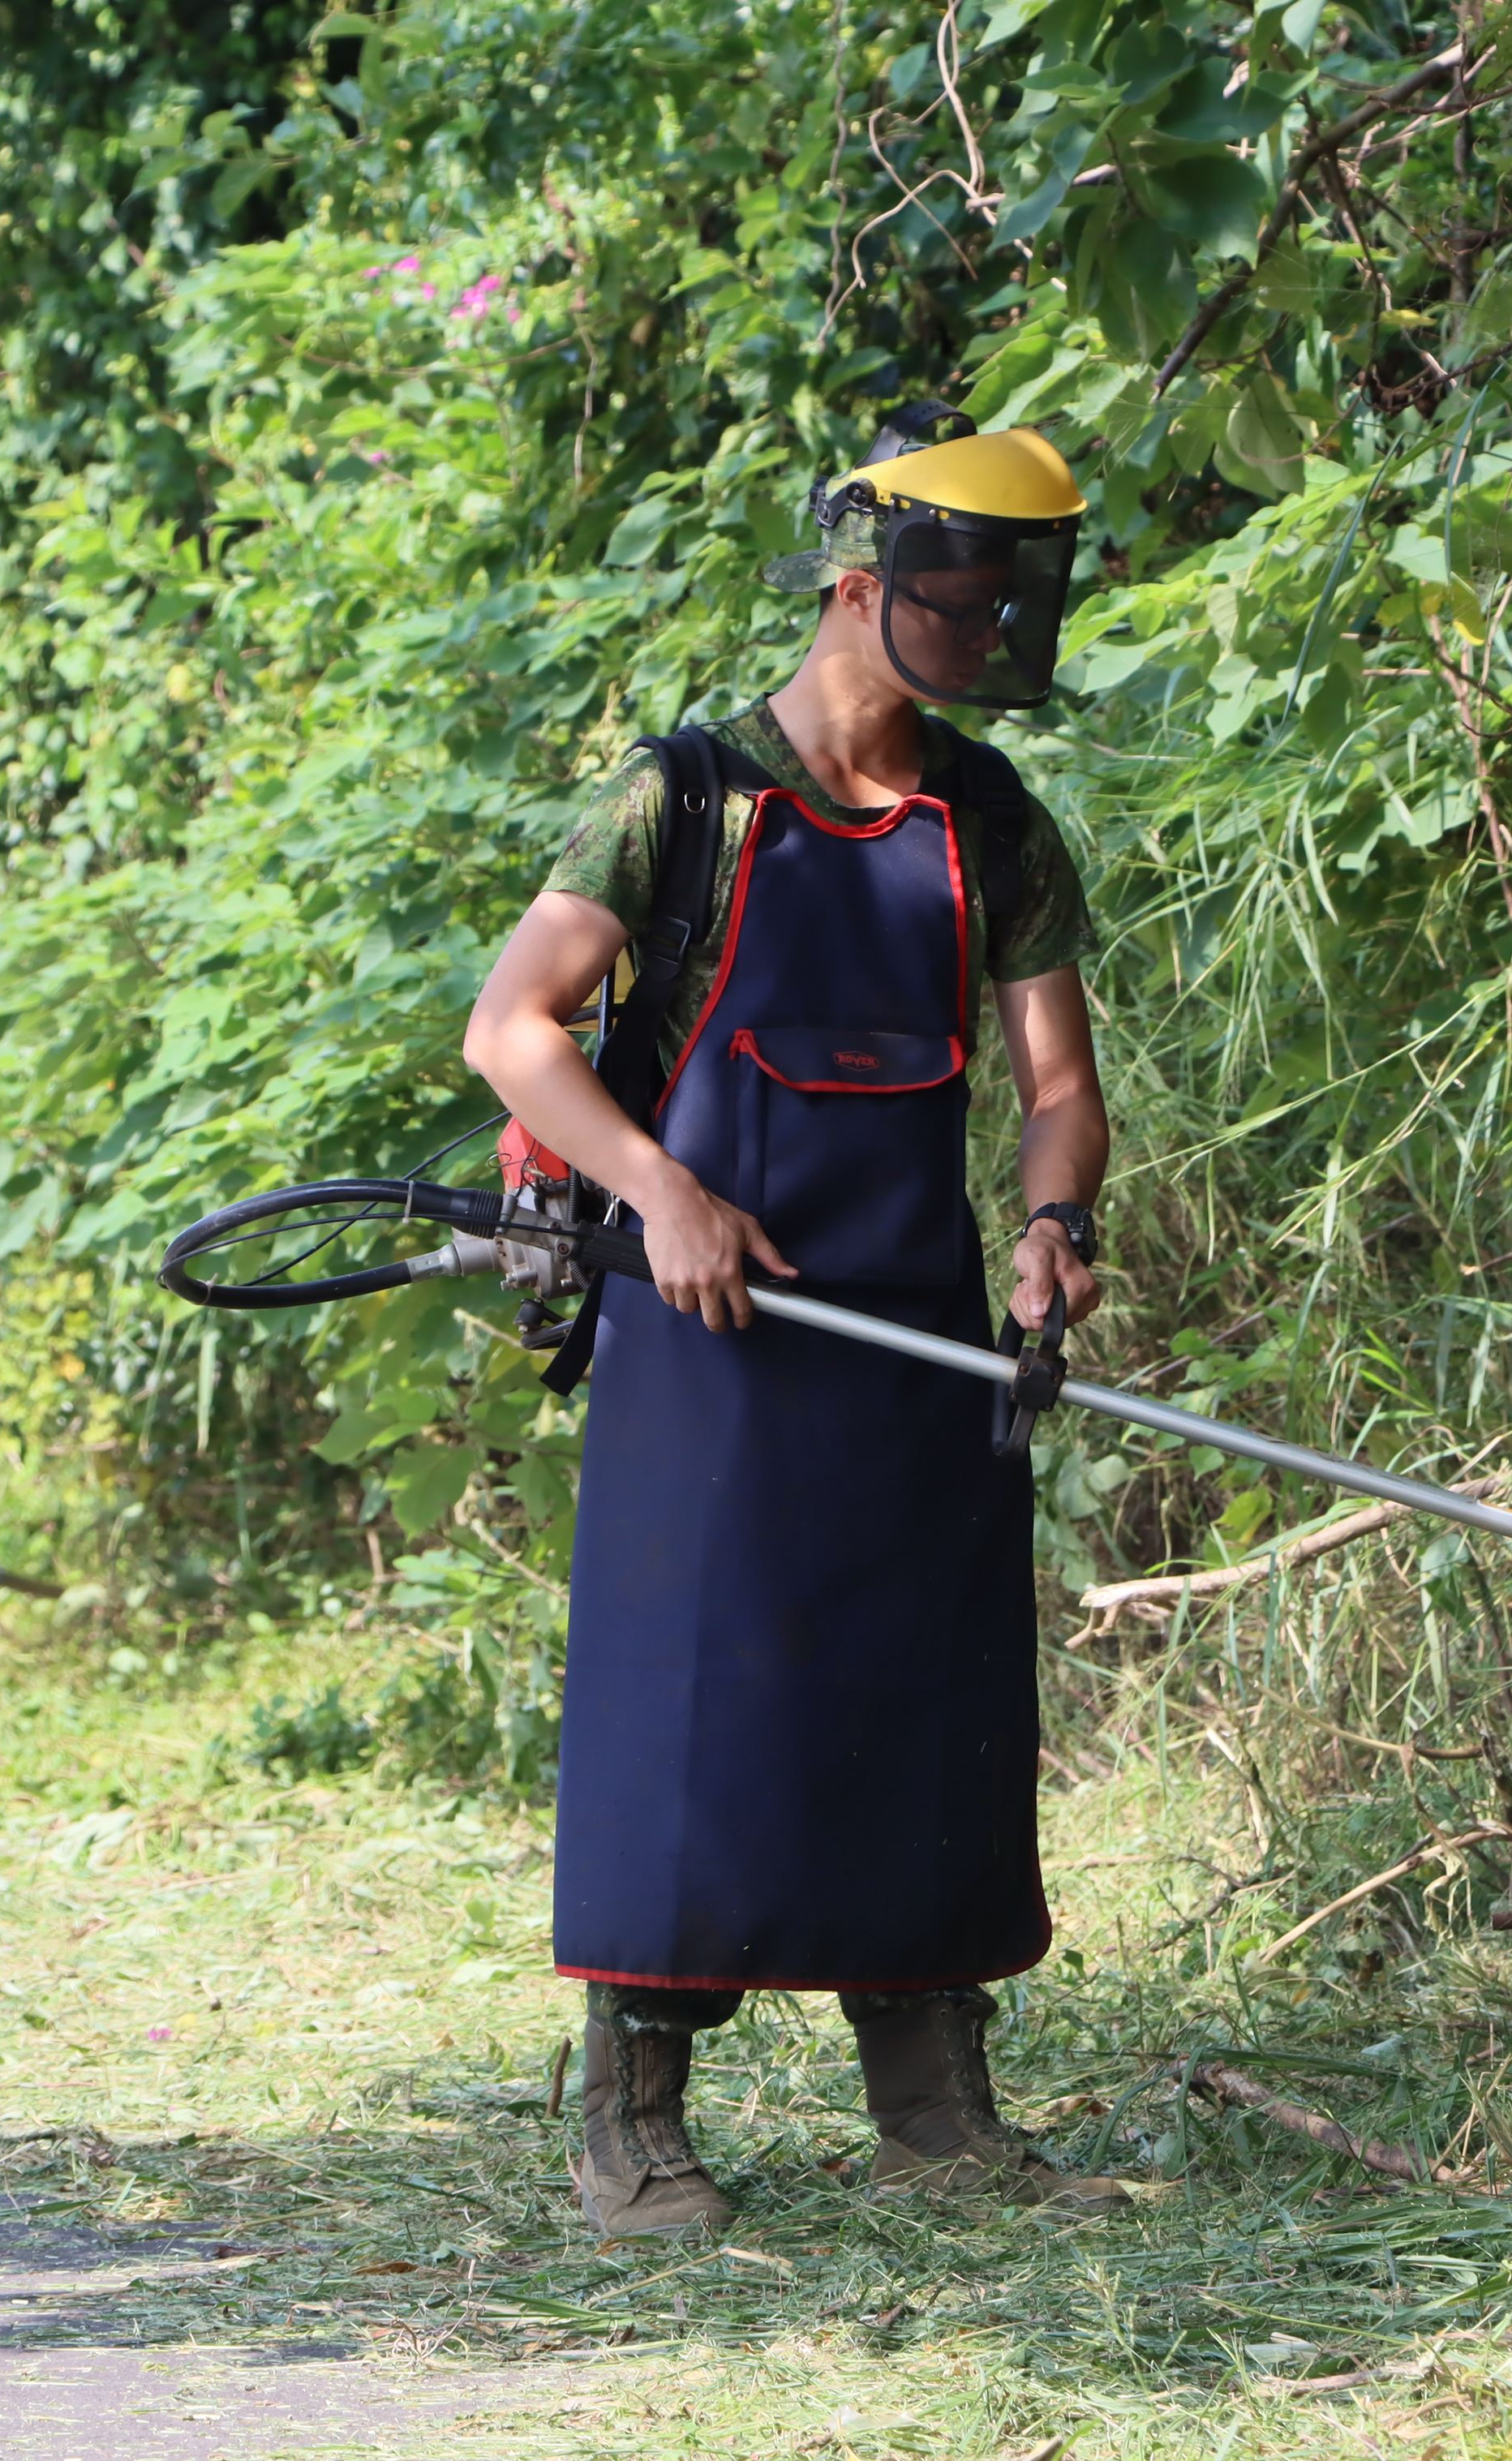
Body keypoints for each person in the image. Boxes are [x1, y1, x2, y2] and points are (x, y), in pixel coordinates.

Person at [462, 405, 1122, 2236]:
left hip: (916, 1324)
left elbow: (1056, 1083)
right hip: (707, 1331)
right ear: (858, 585)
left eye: (1005, 604)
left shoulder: (987, 819)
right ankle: (631, 2121)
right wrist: (657, 1188)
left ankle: (932, 2102)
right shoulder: (686, 798)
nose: (985, 636)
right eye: (959, 599)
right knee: (694, 1711)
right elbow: (510, 1023)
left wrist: (1053, 1224)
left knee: (923, 1695)